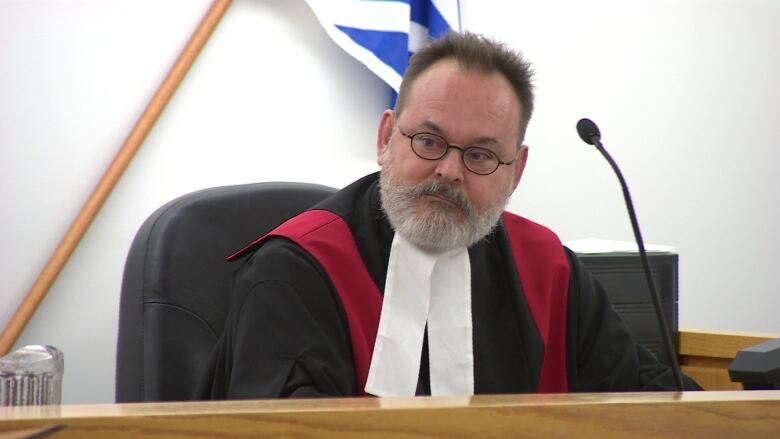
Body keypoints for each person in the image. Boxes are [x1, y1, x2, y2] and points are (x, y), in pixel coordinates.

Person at [196, 32, 699, 399]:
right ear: (385, 139)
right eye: (429, 141)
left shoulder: (551, 271)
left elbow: (652, 401)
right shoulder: (295, 271)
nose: (449, 170)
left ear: (516, 171)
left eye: (480, 155)